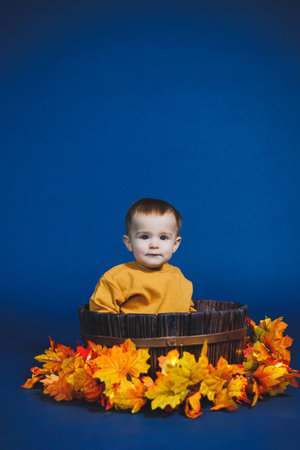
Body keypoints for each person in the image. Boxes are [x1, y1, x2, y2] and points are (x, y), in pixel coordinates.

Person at [89, 198, 195, 314]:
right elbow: (101, 314)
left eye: (163, 238)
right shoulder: (117, 278)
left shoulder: (179, 278)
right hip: (132, 332)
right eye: (144, 237)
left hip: (174, 332)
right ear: (129, 243)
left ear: (175, 244)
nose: (154, 245)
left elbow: (188, 312)